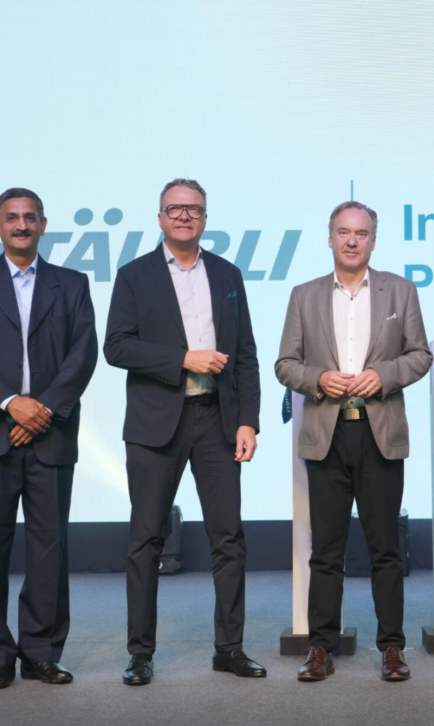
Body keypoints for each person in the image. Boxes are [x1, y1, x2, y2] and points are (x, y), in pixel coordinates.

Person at [104, 178, 265, 685]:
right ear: (160, 218)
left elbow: (245, 354)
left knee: (229, 538)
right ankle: (140, 654)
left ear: (205, 218)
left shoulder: (227, 273)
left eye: (193, 209)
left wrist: (248, 420)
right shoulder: (134, 275)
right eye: (174, 209)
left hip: (218, 419)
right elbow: (116, 347)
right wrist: (182, 359)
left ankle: (229, 648)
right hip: (156, 424)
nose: (184, 216)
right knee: (146, 539)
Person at [0, 188, 98, 689]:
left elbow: (83, 353)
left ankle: (41, 653)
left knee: (49, 549)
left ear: (43, 225)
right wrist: (12, 402)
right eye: (11, 217)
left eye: (30, 217)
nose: (21, 225)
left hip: (51, 433)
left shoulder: (71, 284)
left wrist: (44, 409)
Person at [276, 201, 432, 682]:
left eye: (361, 233)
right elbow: (285, 364)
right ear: (329, 238)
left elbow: (420, 355)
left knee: (386, 550)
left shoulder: (400, 290)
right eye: (343, 232)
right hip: (326, 434)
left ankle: (392, 648)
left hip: (379, 433)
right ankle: (321, 646)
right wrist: (318, 379)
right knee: (326, 551)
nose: (351, 240)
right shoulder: (303, 295)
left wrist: (382, 375)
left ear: (373, 241)